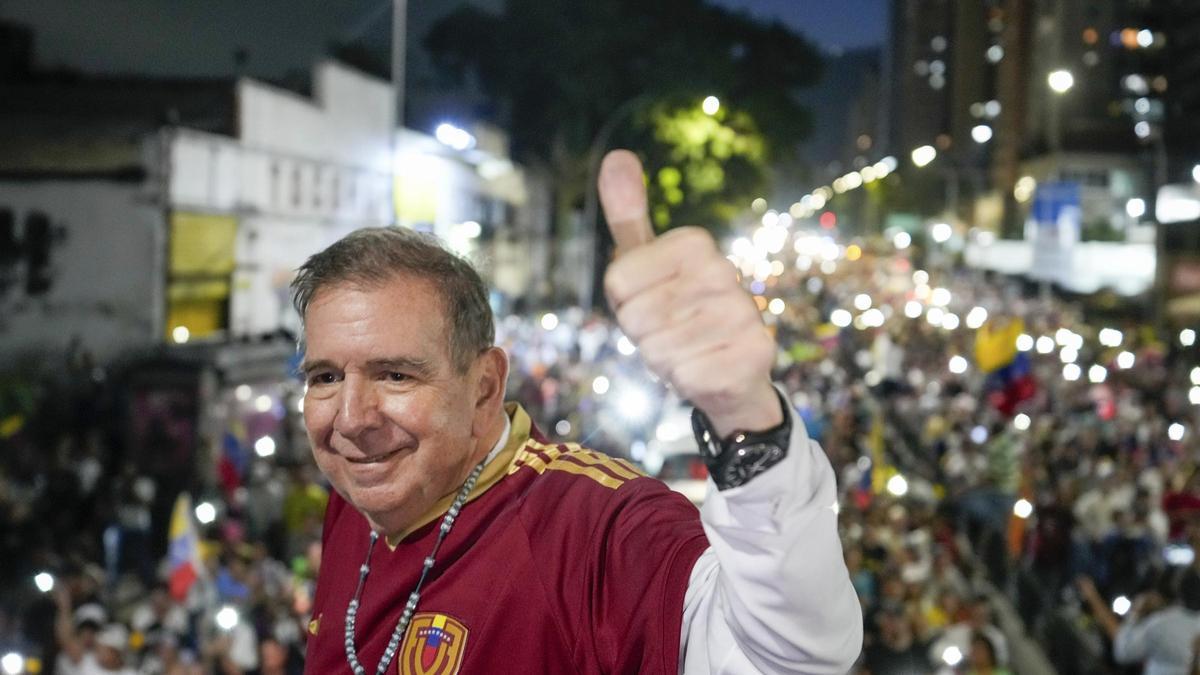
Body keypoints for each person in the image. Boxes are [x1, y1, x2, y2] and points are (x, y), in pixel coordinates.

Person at [296, 150, 861, 673]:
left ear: (485, 386)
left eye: (395, 375)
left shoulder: (597, 527)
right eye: (325, 377)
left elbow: (785, 659)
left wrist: (746, 420)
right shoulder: (358, 501)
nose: (350, 418)